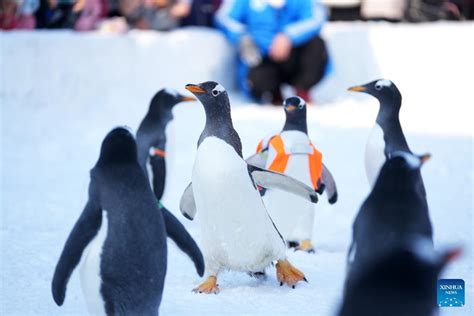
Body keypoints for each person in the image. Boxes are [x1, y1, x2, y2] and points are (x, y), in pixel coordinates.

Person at [216, 0, 329, 105]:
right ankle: (272, 95)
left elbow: (316, 18)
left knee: (316, 44)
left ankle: (302, 91)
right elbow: (224, 18)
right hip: (261, 54)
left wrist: (289, 36)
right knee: (255, 72)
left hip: (293, 54)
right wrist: (242, 36)